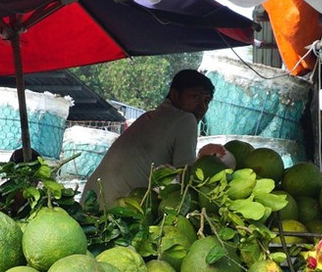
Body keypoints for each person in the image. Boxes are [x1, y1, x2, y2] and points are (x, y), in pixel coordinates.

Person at [85, 68, 227, 206]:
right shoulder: (186, 120)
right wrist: (207, 160)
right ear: (175, 95)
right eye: (195, 97)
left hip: (89, 200)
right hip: (115, 211)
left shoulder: (147, 117)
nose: (202, 106)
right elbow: (186, 182)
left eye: (206, 100)